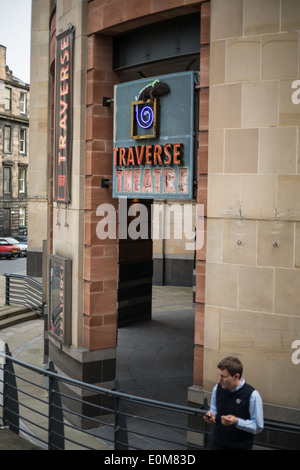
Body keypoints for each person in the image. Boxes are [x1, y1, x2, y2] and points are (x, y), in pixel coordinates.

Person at [204, 356, 264, 450]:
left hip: (240, 447)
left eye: (223, 376)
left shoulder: (253, 395)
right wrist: (210, 415)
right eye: (219, 375)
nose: (220, 379)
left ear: (236, 376)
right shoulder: (217, 388)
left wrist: (237, 422)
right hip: (216, 444)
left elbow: (258, 426)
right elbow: (214, 409)